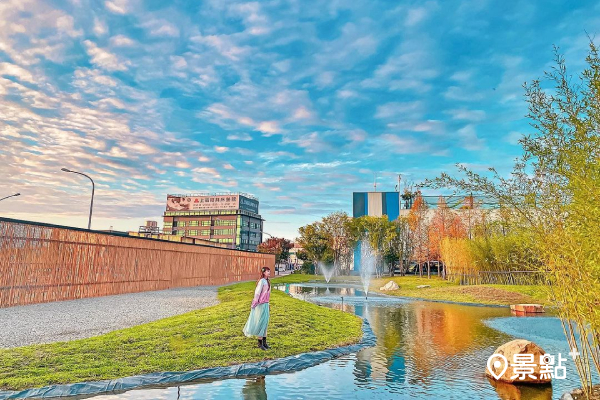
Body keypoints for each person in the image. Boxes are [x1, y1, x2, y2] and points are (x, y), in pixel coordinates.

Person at [243, 266, 272, 350]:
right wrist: (255, 303)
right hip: (261, 304)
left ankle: (264, 342)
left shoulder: (267, 281)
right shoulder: (262, 281)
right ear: (263, 272)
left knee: (265, 323)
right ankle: (260, 343)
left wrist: (268, 304)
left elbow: (267, 295)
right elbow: (257, 293)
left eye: (269, 271)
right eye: (267, 271)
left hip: (265, 304)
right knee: (261, 323)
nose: (269, 273)